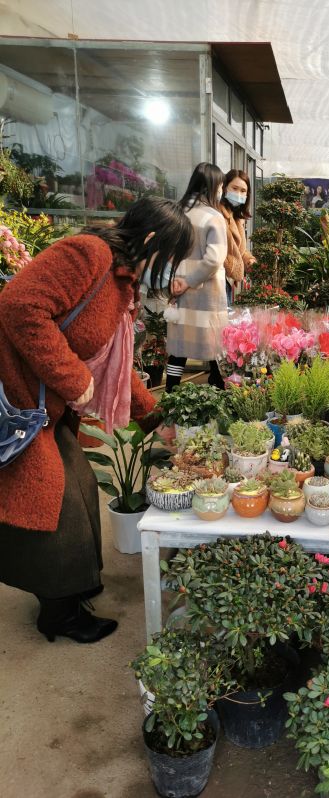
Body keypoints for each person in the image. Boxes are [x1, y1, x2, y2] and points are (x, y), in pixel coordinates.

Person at [0, 196, 194, 644]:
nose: (174, 272)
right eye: (172, 258)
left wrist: (155, 417)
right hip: (19, 402)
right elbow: (18, 305)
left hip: (47, 406)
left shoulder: (124, 283)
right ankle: (59, 613)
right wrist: (71, 377)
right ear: (151, 240)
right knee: (55, 504)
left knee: (82, 487)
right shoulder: (88, 255)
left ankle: (73, 586)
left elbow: (117, 366)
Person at [165, 162, 228, 391]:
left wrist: (174, 281)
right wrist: (190, 280)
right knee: (215, 344)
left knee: (179, 347)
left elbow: (166, 253)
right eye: (220, 186)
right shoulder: (213, 217)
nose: (221, 190)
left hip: (178, 290)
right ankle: (221, 389)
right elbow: (214, 259)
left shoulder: (176, 213)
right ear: (212, 186)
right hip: (205, 294)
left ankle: (170, 392)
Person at [219, 169, 256, 305]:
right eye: (234, 188)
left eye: (243, 191)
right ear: (224, 188)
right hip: (217, 279)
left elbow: (239, 249)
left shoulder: (237, 217)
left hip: (227, 280)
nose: (238, 194)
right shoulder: (218, 215)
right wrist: (234, 266)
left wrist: (249, 260)